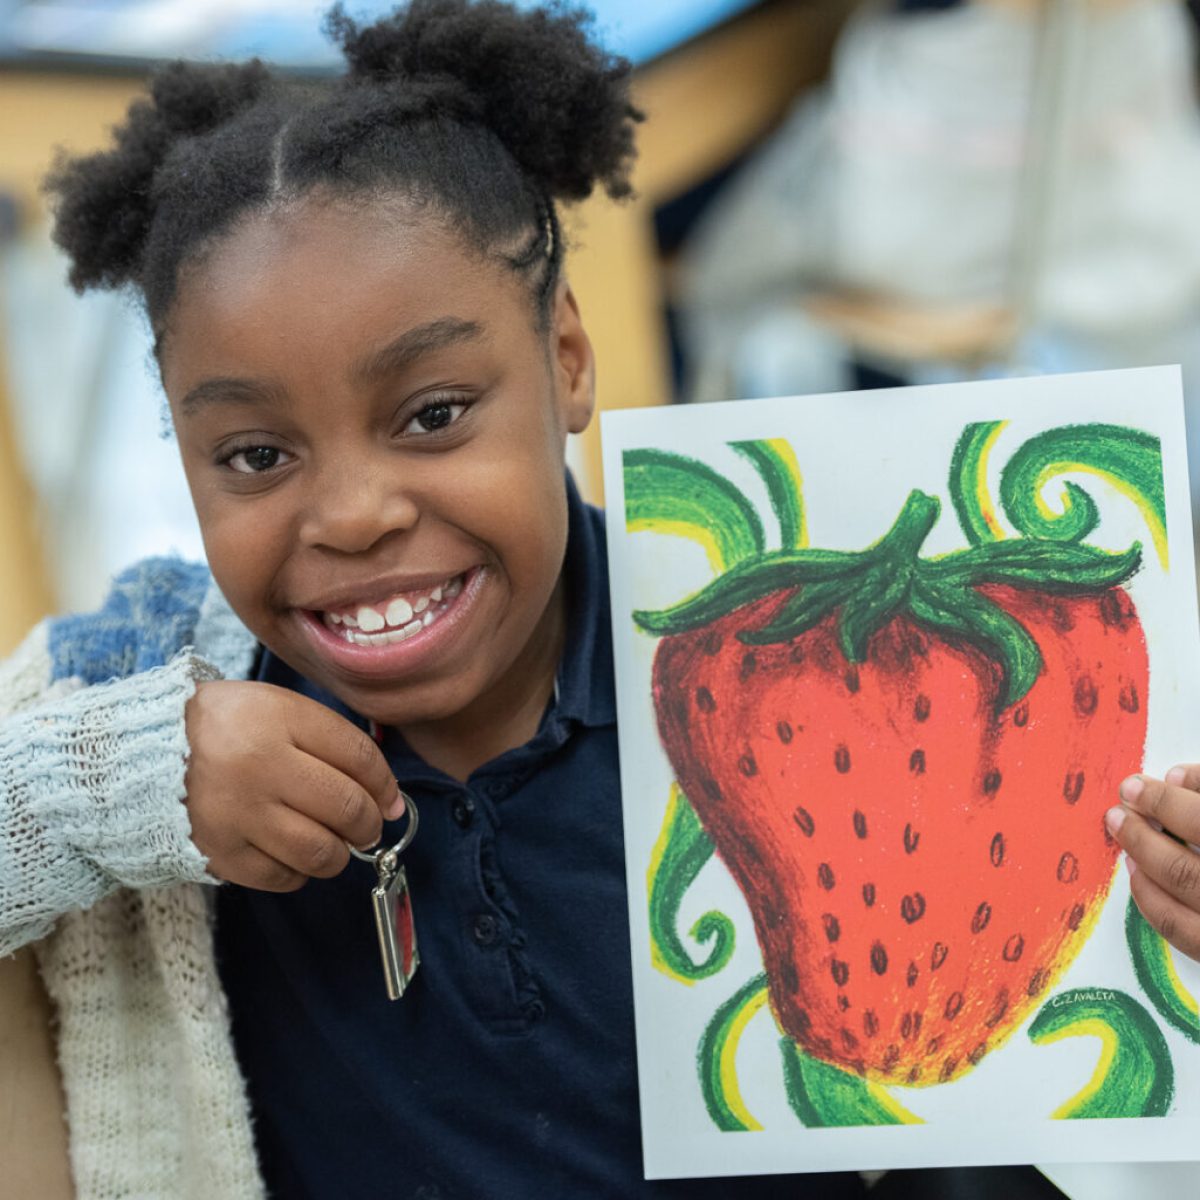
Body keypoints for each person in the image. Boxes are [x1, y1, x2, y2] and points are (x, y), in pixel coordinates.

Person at [0, 3, 1195, 1199]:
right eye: (256, 455)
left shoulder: (783, 656)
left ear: (567, 360)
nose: (353, 515)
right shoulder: (158, 687)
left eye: (433, 415)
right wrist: (132, 783)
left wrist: (1173, 893)